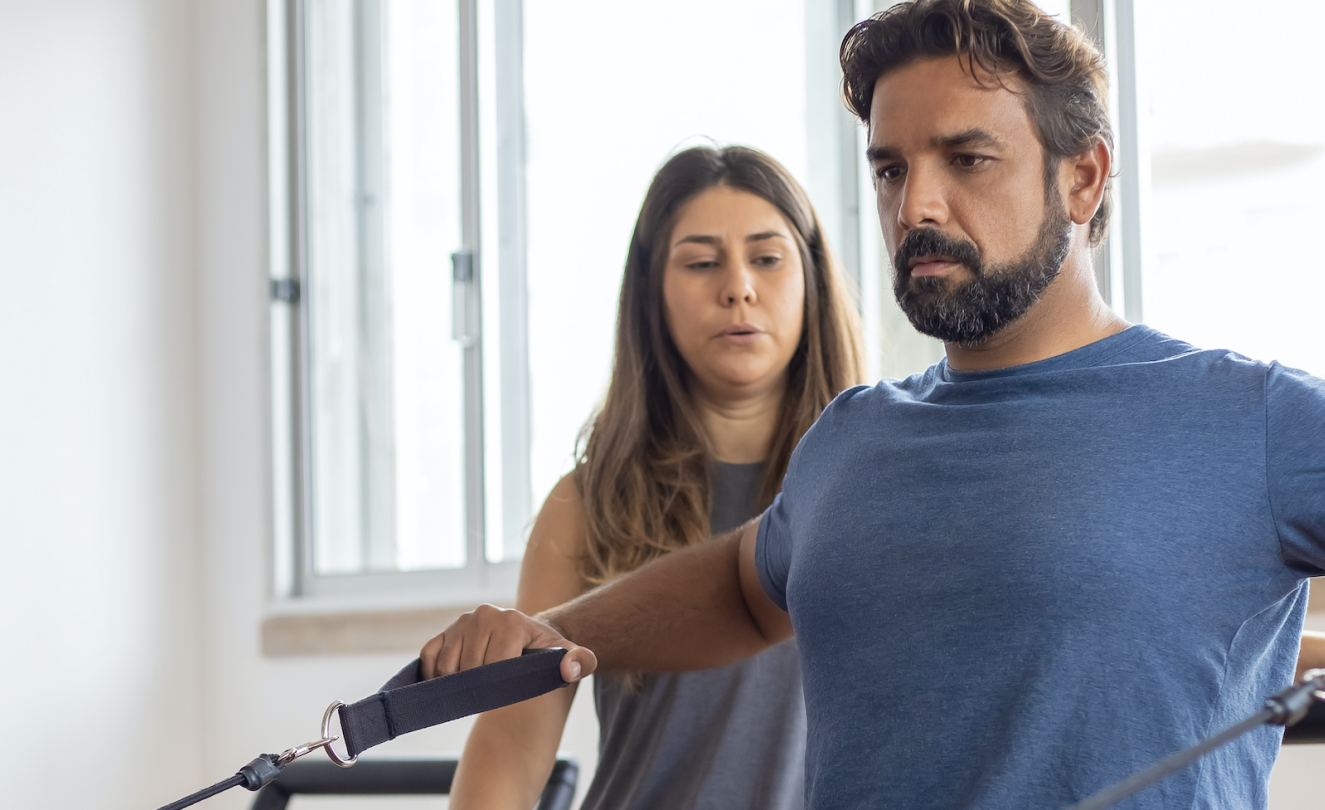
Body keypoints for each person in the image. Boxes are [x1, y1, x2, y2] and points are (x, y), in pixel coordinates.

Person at [423, 2, 1325, 809]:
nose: (917, 204)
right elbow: (743, 592)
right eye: (891, 170)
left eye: (967, 158)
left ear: (1082, 178)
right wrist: (550, 635)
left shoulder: (1254, 419)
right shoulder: (851, 439)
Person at [446, 146, 865, 809]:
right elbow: (509, 752)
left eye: (767, 258)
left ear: (812, 276)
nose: (738, 287)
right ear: (652, 292)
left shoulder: (868, 480)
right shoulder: (588, 504)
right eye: (701, 263)